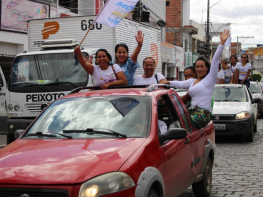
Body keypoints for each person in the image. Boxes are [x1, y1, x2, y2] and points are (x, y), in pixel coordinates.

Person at [165, 29, 230, 129]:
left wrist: (222, 43)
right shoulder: (192, 81)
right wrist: (167, 82)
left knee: (175, 127)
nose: (199, 69)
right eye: (197, 67)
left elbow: (216, 60)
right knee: (173, 121)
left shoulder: (210, 79)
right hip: (192, 111)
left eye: (202, 66)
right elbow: (180, 84)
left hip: (202, 114)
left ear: (207, 68)